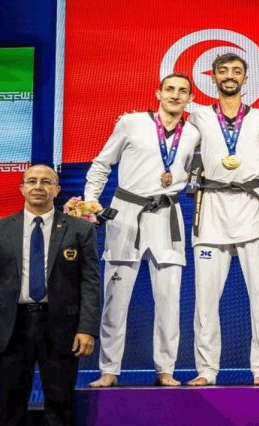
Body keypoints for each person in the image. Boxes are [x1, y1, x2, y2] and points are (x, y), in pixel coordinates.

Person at [85, 74, 200, 388]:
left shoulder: (193, 133)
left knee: (169, 300)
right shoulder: (131, 123)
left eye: (183, 91)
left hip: (167, 216)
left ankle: (166, 369)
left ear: (190, 99)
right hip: (127, 213)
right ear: (158, 93)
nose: (175, 95)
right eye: (170, 89)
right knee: (115, 299)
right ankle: (109, 370)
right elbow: (102, 163)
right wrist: (91, 200)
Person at [0, 164, 100, 426]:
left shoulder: (79, 230)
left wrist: (87, 329)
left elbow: (90, 283)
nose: (38, 187)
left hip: (61, 326)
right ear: (22, 188)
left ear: (57, 189)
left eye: (46, 181)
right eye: (32, 181)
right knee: (11, 404)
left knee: (61, 403)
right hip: (11, 326)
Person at [185, 53, 259, 386]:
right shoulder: (198, 116)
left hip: (252, 209)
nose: (229, 76)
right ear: (213, 77)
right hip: (212, 210)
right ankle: (207, 370)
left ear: (245, 78)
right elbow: (172, 134)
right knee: (205, 298)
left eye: (236, 71)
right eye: (223, 71)